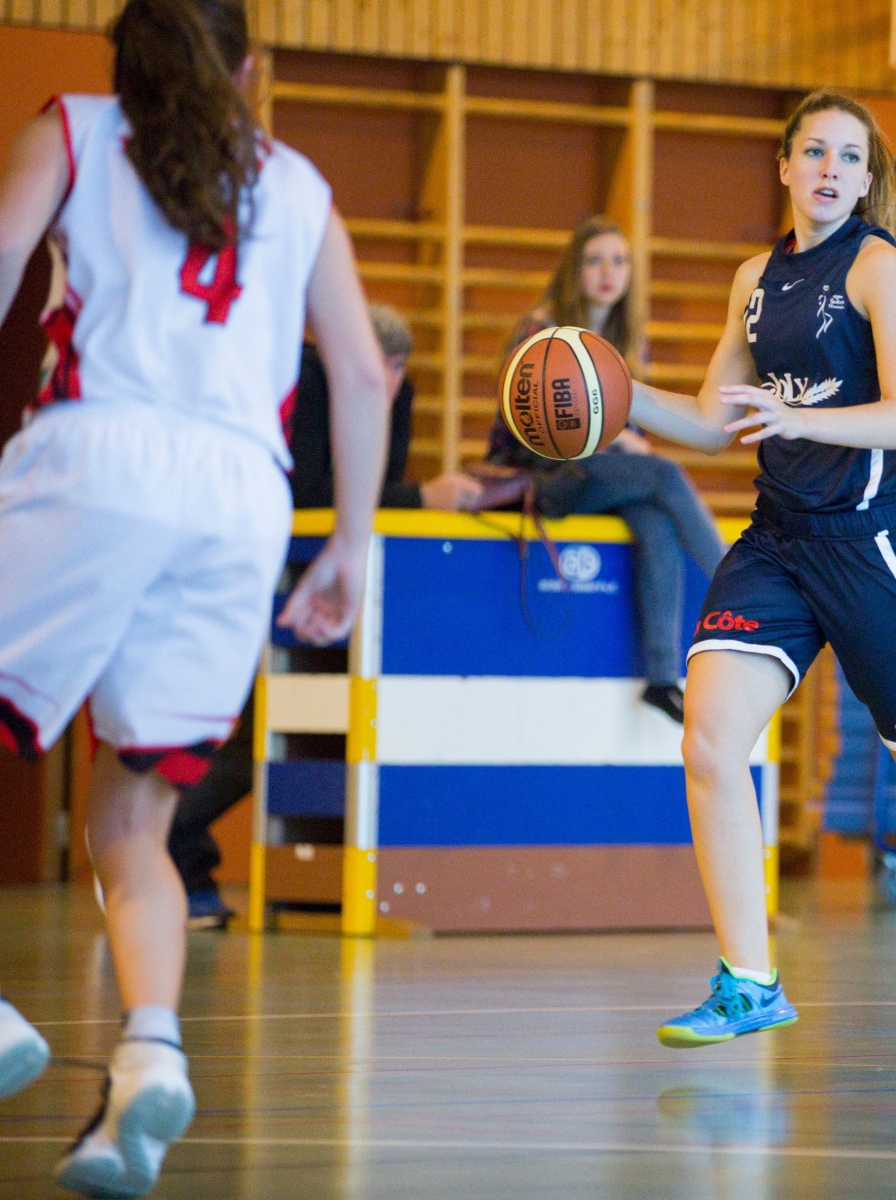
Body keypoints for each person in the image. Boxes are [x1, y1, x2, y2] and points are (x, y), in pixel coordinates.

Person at [0, 0, 389, 1194]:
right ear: (252, 71)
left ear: (120, 63)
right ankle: (149, 1057)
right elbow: (364, 371)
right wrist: (351, 548)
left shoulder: (72, 128)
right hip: (241, 501)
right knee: (132, 820)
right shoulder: (303, 182)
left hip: (99, 455)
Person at [605, 90, 896, 1055]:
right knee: (708, 740)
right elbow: (713, 417)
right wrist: (609, 388)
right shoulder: (755, 276)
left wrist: (803, 419)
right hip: (778, 544)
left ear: (868, 180)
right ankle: (749, 980)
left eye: (849, 158)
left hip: (875, 546)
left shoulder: (879, 269)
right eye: (813, 152)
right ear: (783, 167)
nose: (830, 169)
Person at [171, 305, 476, 930]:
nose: (389, 381)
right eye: (380, 366)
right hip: (245, 555)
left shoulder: (395, 389)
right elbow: (309, 491)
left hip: (316, 571)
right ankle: (162, 847)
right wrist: (421, 497)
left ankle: (178, 857)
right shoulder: (304, 379)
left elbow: (371, 484)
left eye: (398, 370)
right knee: (250, 731)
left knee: (271, 733)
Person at [487, 215, 726, 722]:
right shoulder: (538, 331)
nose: (607, 272)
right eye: (595, 260)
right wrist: (621, 438)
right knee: (662, 476)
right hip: (547, 472)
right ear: (574, 269)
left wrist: (625, 441)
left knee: (656, 524)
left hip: (603, 474)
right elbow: (528, 423)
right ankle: (740, 585)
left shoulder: (626, 341)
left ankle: (661, 679)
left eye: (618, 260)